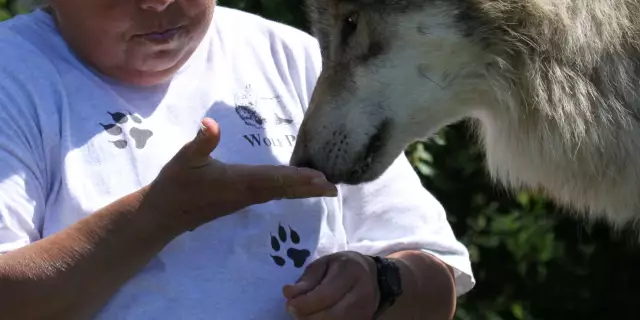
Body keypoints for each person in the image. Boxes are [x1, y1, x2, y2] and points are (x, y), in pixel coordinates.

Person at [0, 0, 476, 319]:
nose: (159, 2)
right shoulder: (14, 76)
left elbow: (435, 279)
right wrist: (158, 217)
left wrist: (378, 284)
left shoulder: (293, 57)